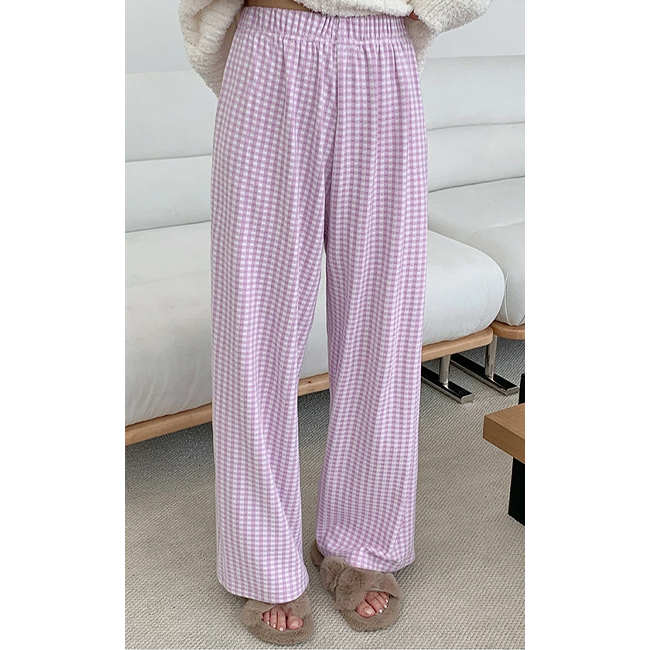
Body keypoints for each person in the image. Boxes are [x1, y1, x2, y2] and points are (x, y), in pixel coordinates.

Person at [178, 0, 492, 644]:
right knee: (253, 332)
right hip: (271, 44)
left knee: (384, 325)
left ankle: (361, 542)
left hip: (381, 52)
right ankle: (263, 558)